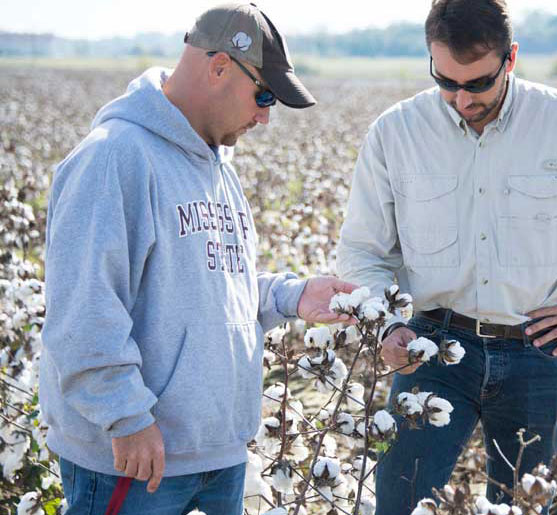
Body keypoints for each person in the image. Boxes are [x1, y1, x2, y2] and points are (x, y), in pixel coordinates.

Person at [336, 0, 557, 513]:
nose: (460, 98)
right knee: (398, 503)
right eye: (445, 80)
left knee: (523, 507)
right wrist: (388, 326)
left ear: (510, 58)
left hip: (535, 352)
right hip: (431, 346)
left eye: (478, 83)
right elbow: (363, 250)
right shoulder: (396, 133)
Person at [40, 3, 355, 514]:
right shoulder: (113, 158)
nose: (265, 117)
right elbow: (82, 311)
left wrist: (293, 296)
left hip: (218, 457)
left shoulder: (216, 165)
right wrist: (127, 418)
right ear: (219, 67)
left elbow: (210, 286)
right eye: (264, 95)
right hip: (139, 462)